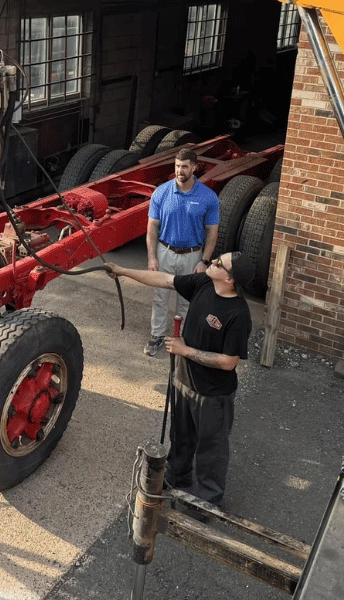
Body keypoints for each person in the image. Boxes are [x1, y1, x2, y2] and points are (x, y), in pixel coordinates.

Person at [107, 251, 255, 507]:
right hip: (183, 381)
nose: (213, 261)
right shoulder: (203, 284)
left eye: (220, 263)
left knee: (212, 451)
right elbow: (164, 279)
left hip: (213, 396)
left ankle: (207, 501)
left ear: (230, 280)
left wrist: (184, 350)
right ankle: (177, 478)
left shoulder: (238, 314)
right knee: (181, 437)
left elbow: (229, 362)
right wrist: (122, 270)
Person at [143, 147, 220, 356]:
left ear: (194, 168)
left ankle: (182, 339)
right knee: (160, 297)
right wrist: (152, 257)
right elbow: (152, 227)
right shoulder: (161, 192)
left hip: (193, 255)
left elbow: (212, 232)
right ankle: (157, 336)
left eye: (184, 166)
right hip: (164, 251)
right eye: (177, 166)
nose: (180, 170)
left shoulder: (208, 197)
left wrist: (204, 261)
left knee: (186, 301)